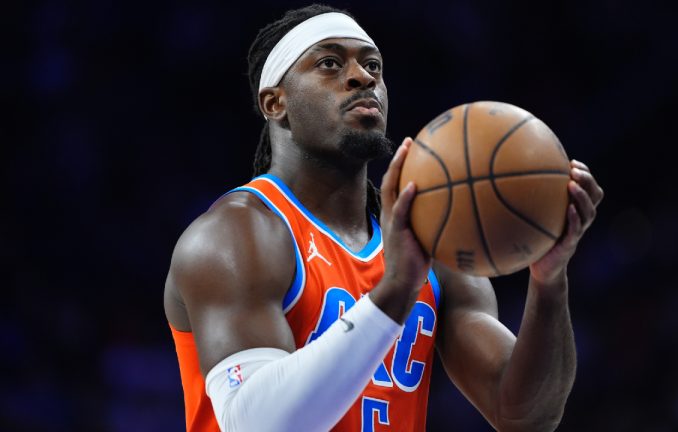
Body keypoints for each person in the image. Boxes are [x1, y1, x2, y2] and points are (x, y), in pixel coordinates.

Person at [164, 4, 604, 432]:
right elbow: (257, 425)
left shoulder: (431, 243)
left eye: (373, 66)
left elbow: (524, 415)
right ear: (275, 102)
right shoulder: (236, 235)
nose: (362, 77)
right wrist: (394, 291)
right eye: (330, 64)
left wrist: (549, 282)